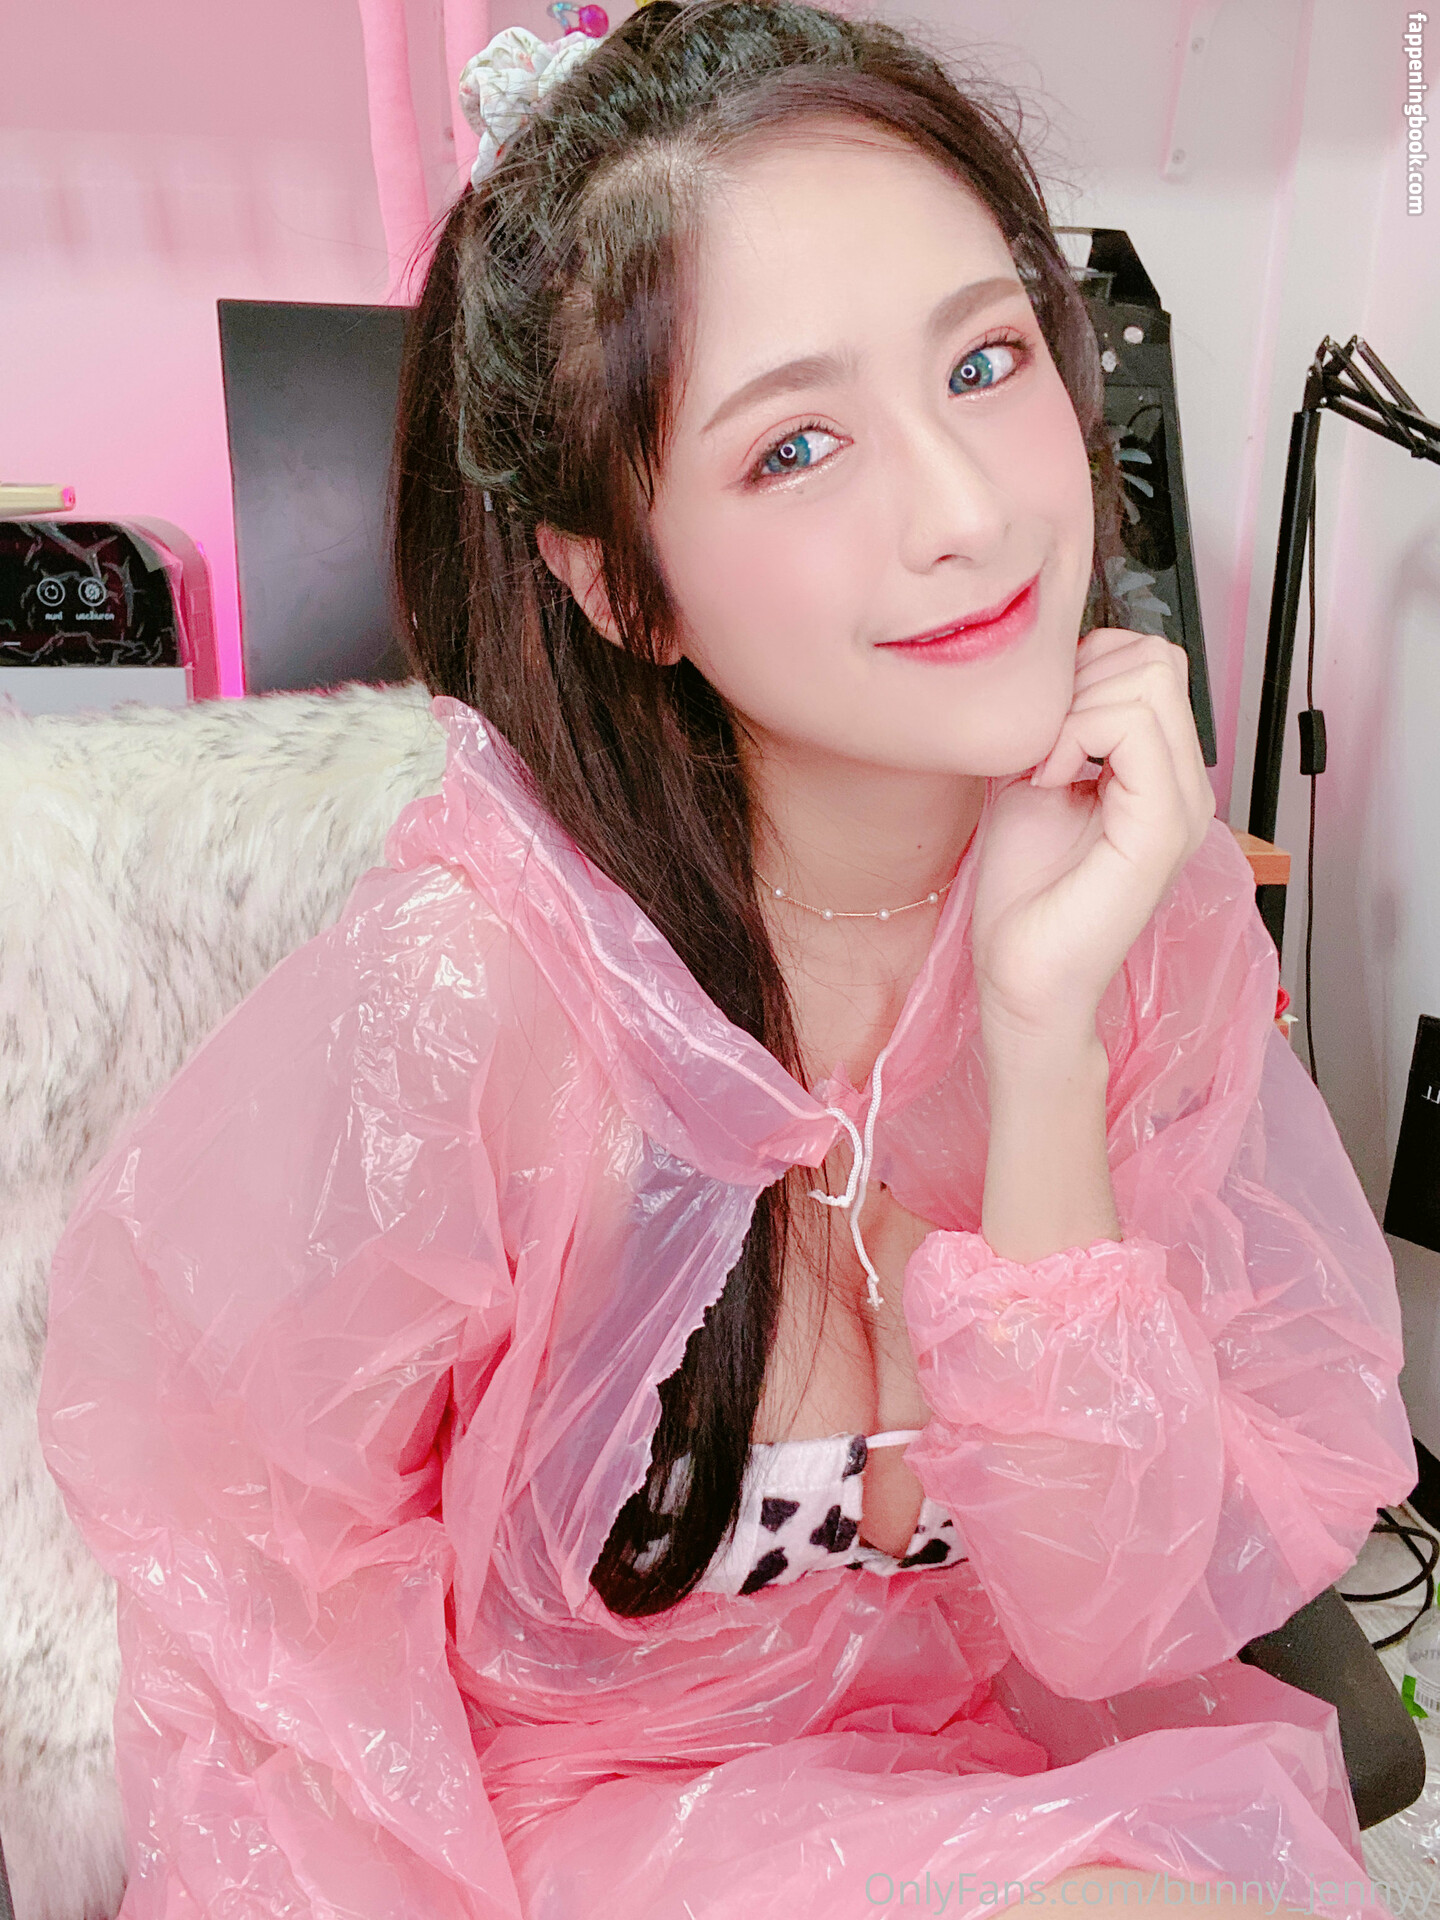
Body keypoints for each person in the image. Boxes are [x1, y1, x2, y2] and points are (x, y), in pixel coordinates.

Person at [38, 3, 1417, 1915]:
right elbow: (268, 1657)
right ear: (622, 580)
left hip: (1002, 1781)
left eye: (987, 359)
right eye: (797, 447)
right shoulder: (484, 997)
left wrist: (1039, 1037)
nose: (970, 513)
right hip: (564, 1837)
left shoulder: (1138, 909)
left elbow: (1116, 1618)